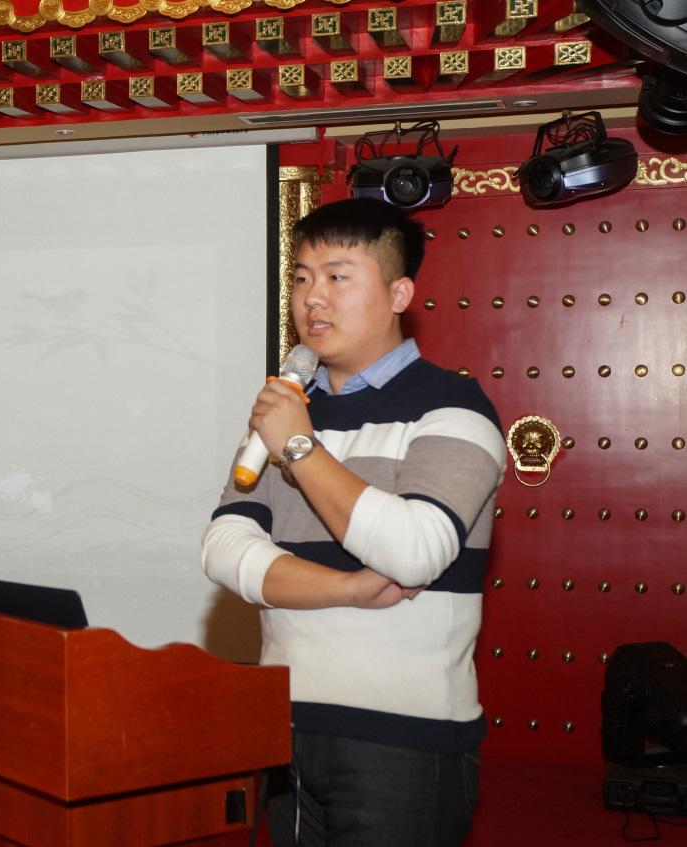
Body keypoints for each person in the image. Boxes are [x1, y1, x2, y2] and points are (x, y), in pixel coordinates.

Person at [202, 197, 505, 847]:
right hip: (283, 732)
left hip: (403, 743)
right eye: (302, 278)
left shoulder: (453, 406)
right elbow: (224, 548)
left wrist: (300, 448)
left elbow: (413, 550)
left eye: (338, 276)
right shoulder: (287, 411)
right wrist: (346, 588)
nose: (313, 298)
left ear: (399, 293)